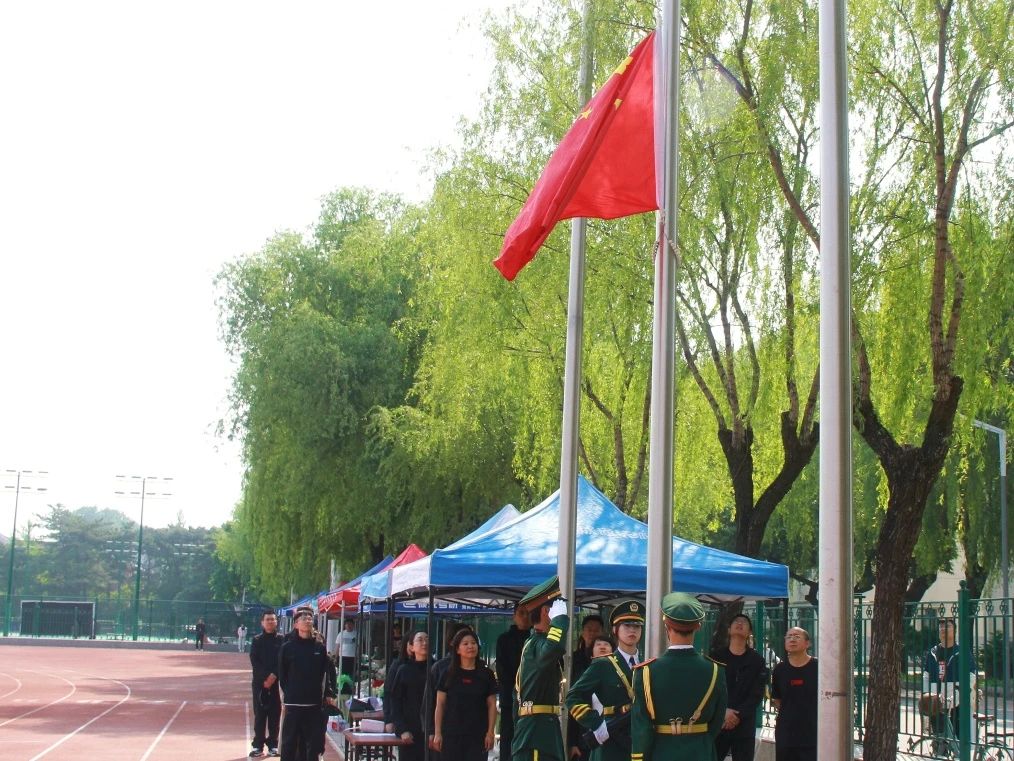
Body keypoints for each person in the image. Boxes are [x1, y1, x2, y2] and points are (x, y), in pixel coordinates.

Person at [631, 592, 727, 761]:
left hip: (661, 753)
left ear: (666, 626)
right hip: (701, 752)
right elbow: (717, 722)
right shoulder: (715, 670)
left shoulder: (645, 672)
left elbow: (642, 728)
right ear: (698, 626)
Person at [567, 600, 645, 761]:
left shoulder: (646, 665)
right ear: (615, 630)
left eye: (637, 626)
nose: (632, 630)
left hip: (639, 739)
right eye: (627, 626)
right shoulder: (603, 664)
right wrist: (596, 723)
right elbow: (572, 696)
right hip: (611, 741)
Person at [512, 575, 570, 761]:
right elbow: (553, 648)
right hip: (536, 735)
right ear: (546, 612)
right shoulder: (537, 645)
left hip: (541, 731)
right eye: (558, 608)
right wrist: (560, 621)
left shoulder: (536, 643)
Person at [278, 609, 336, 761]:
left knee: (312, 744)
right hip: (293, 703)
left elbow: (325, 673)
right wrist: (289, 693)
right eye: (304, 619)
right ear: (296, 624)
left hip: (314, 703)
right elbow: (282, 675)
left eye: (310, 618)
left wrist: (328, 693)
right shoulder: (287, 648)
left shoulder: (319, 648)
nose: (308, 621)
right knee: (289, 742)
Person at [433, 629, 499, 760]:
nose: (470, 646)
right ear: (457, 649)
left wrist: (490, 732)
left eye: (473, 643)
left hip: (478, 734)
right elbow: (440, 705)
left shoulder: (487, 674)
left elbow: (492, 705)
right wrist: (437, 733)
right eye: (465, 643)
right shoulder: (447, 674)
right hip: (451, 734)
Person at [710, 613, 768, 761]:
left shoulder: (757, 661)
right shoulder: (716, 657)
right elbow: (711, 688)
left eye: (744, 622)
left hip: (744, 724)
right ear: (729, 630)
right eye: (736, 621)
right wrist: (723, 712)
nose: (740, 623)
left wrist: (738, 715)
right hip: (719, 722)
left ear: (749, 632)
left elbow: (757, 694)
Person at [922, 617, 976, 740]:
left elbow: (971, 675)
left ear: (954, 630)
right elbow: (926, 675)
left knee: (957, 740)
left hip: (957, 703)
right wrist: (926, 694)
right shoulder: (933, 652)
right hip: (936, 703)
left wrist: (961, 693)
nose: (943, 629)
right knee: (938, 739)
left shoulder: (962, 651)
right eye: (941, 626)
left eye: (947, 626)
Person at [770, 627, 818, 761]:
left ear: (807, 643)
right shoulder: (779, 670)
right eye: (789, 636)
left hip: (812, 732)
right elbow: (777, 699)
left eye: (797, 636)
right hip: (786, 733)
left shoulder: (818, 667)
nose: (792, 639)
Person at [496, 603, 531, 761]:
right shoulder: (504, 639)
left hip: (532, 699)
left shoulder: (537, 638)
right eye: (521, 613)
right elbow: (502, 670)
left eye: (528, 613)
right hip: (510, 699)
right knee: (508, 737)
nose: (525, 617)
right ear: (514, 616)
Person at [568, 614, 605, 759]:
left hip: (606, 729)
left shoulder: (610, 662)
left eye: (596, 630)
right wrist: (572, 742)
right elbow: (571, 701)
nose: (592, 633)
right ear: (583, 633)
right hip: (580, 729)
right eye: (589, 630)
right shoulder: (573, 660)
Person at [389, 630, 431, 761]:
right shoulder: (404, 670)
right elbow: (395, 701)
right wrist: (402, 729)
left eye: (427, 639)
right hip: (410, 730)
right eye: (420, 640)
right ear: (411, 647)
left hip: (432, 731)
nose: (424, 643)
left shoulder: (436, 669)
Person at [249, 611, 283, 757]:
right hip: (259, 683)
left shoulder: (282, 640)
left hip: (276, 683)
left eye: (272, 619)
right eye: (267, 619)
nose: (270, 622)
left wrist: (274, 676)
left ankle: (273, 745)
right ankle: (258, 745)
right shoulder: (257, 640)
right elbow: (254, 660)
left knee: (275, 715)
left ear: (276, 622)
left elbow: (282, 660)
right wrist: (265, 678)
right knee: (260, 715)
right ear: (262, 622)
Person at [383, 632, 414, 732]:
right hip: (401, 717)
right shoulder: (398, 665)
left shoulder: (431, 666)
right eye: (411, 643)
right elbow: (388, 692)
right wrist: (388, 719)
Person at [338, 618, 357, 684]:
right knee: (343, 673)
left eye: (350, 624)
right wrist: (336, 656)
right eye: (347, 624)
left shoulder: (356, 634)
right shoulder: (341, 633)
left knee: (351, 673)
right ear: (345, 625)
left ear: (353, 625)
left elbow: (359, 646)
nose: (349, 626)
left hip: (353, 657)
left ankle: (351, 686)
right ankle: (343, 686)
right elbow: (337, 645)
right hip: (343, 656)